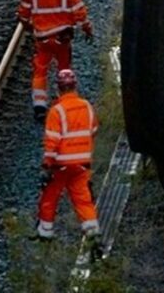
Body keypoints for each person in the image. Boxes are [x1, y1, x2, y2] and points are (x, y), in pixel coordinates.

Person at [17, 0, 93, 121]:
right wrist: (88, 30)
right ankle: (63, 104)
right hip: (62, 39)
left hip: (42, 40)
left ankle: (39, 107)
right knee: (64, 68)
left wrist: (30, 27)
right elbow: (81, 15)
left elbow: (22, 15)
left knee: (40, 71)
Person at [36, 69, 101, 252]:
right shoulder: (87, 106)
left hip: (60, 166)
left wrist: (47, 166)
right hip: (82, 164)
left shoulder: (57, 111)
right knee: (83, 201)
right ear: (75, 86)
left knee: (49, 198)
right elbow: (94, 130)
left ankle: (45, 236)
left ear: (58, 89)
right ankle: (94, 236)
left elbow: (52, 142)